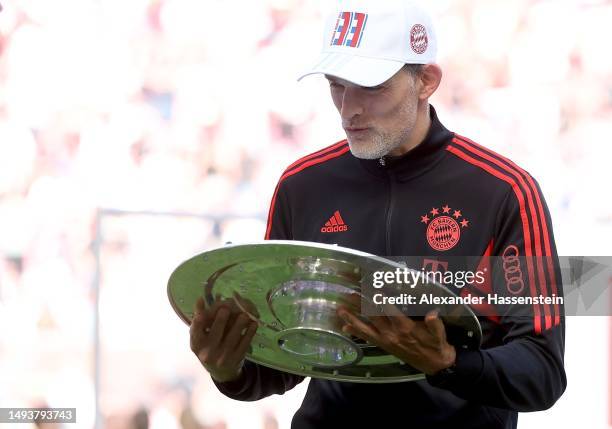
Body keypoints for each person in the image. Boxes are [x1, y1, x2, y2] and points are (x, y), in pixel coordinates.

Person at [189, 1, 566, 428]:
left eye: (371, 87)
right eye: (336, 84)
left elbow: (542, 371)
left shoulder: (505, 192)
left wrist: (446, 363)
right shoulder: (302, 185)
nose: (348, 108)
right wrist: (230, 369)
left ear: (426, 80)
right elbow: (286, 358)